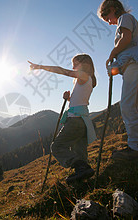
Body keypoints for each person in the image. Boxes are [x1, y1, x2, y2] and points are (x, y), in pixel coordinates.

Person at [97, 0, 138, 160]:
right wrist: (114, 67)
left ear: (114, 9)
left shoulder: (125, 18)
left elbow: (126, 38)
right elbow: (127, 49)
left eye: (107, 17)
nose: (109, 22)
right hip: (136, 64)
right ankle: (136, 145)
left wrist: (112, 54)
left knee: (129, 106)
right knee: (128, 105)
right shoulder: (124, 21)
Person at [28, 54, 97, 182]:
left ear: (83, 64)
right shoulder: (89, 79)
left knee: (57, 147)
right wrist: (69, 99)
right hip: (83, 121)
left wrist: (41, 67)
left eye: (75, 64)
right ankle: (82, 176)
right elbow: (80, 100)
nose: (73, 67)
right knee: (79, 151)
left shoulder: (83, 76)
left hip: (75, 121)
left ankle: (81, 167)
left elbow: (62, 71)